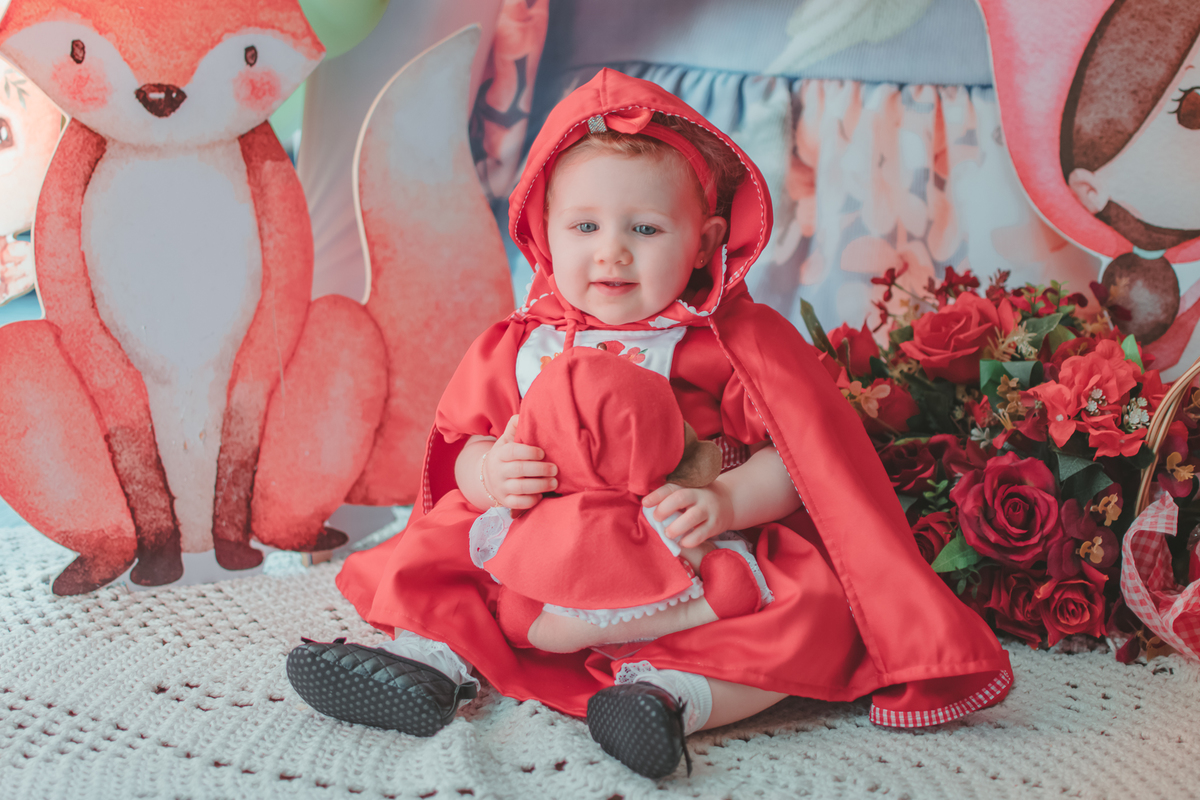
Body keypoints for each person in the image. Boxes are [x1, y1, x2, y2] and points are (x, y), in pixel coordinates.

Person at [287, 69, 1013, 780]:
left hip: (682, 544)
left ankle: (670, 697)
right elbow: (462, 450)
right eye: (585, 226)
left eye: (645, 227)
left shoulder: (731, 344)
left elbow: (799, 460)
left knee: (811, 605)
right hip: (538, 545)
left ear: (704, 240)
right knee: (446, 538)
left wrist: (726, 501)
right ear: (544, 231)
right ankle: (429, 664)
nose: (612, 250)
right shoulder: (521, 343)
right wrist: (490, 472)